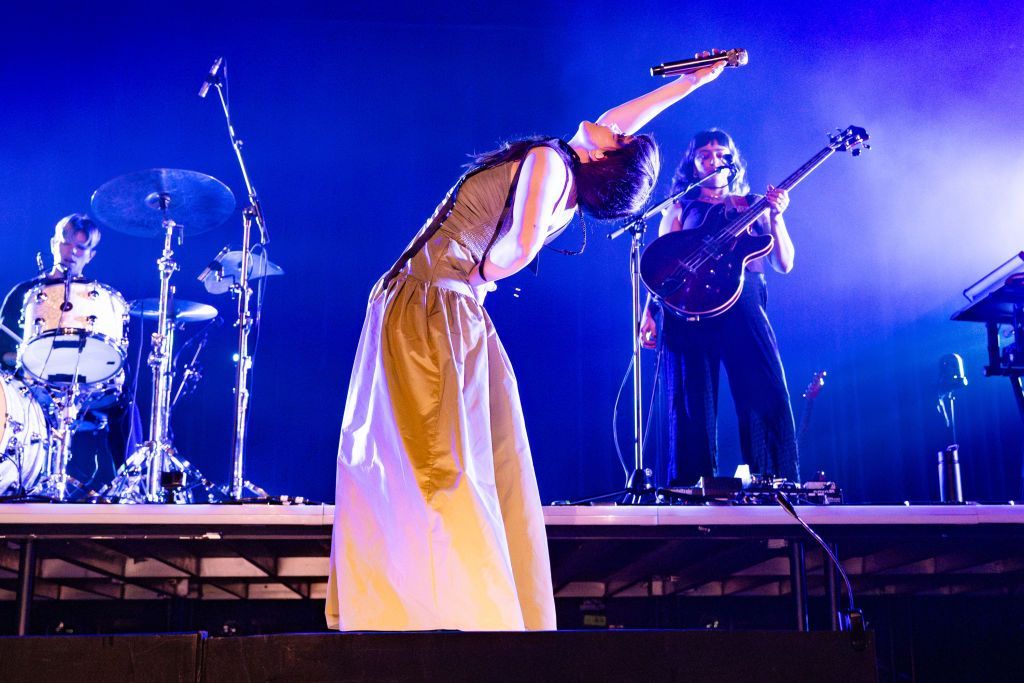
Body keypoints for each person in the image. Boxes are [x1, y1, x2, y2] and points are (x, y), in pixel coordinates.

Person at [326, 57, 730, 632]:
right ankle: (449, 598)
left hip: (431, 302)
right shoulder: (567, 172)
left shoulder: (547, 162)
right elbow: (616, 119)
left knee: (426, 458)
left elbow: (517, 249)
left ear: (605, 157)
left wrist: (476, 274)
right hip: (442, 304)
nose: (616, 125)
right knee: (455, 456)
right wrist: (690, 84)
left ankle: (437, 606)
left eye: (621, 138)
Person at [639, 129, 799, 486]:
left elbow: (784, 263)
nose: (713, 161)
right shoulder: (682, 206)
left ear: (732, 161)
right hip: (690, 310)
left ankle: (776, 485)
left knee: (765, 390)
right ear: (693, 166)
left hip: (744, 303)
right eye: (704, 156)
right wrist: (650, 310)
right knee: (690, 401)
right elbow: (663, 264)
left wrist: (776, 216)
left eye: (720, 154)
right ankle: (690, 491)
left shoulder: (752, 204)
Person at [0, 213, 138, 490]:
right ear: (53, 243)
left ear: (91, 255)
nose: (71, 252)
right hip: (31, 386)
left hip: (85, 386)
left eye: (81, 247)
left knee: (127, 400)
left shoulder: (96, 297)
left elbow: (111, 353)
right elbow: (2, 353)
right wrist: (26, 362)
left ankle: (129, 485)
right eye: (65, 243)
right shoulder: (25, 292)